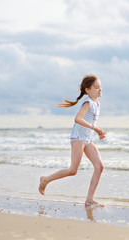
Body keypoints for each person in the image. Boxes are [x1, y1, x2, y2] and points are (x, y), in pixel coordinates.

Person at [38, 74, 106, 208]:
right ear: (88, 90)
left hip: (87, 138)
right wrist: (96, 128)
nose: (100, 89)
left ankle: (89, 200)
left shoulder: (97, 104)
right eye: (96, 87)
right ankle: (45, 179)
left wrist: (97, 132)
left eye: (100, 87)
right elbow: (78, 119)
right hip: (78, 138)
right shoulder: (88, 103)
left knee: (99, 167)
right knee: (73, 170)